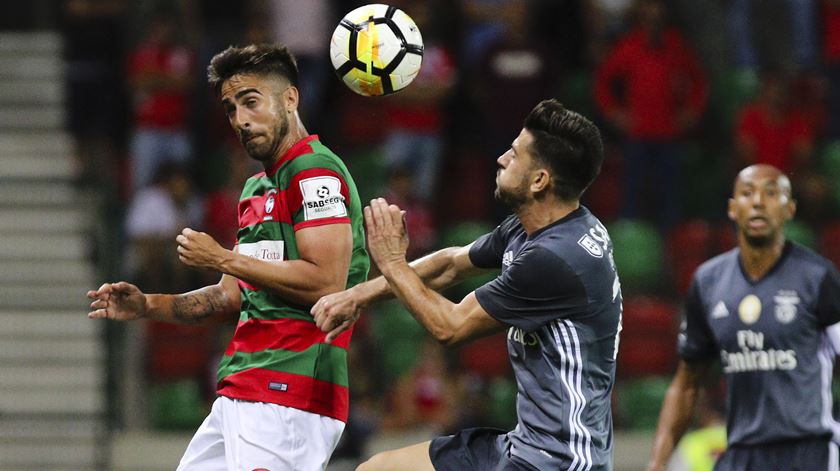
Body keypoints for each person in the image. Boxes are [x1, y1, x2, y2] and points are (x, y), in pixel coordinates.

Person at [87, 43, 369, 471]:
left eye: (251, 102)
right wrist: (150, 304)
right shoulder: (256, 188)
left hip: (291, 391)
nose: (240, 119)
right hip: (241, 390)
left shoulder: (315, 172)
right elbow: (230, 299)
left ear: (290, 98)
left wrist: (223, 258)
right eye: (230, 108)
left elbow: (327, 283)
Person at [313, 99, 622, 470]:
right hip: (521, 446)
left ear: (540, 180)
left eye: (515, 154)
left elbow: (450, 326)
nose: (501, 159)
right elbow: (450, 265)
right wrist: (358, 295)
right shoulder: (539, 227)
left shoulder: (555, 259)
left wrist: (394, 263)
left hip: (560, 461)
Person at [645, 164, 840, 471]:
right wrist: (657, 463)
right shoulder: (708, 282)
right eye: (748, 193)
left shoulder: (818, 277)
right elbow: (686, 383)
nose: (759, 201)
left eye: (771, 193)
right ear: (733, 209)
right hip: (741, 453)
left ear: (789, 208)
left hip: (809, 451)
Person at [593, 0, 707, 229]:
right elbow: (602, 82)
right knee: (631, 194)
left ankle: (671, 245)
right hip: (637, 133)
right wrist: (614, 113)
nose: (654, 15)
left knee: (671, 195)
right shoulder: (630, 45)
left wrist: (691, 112)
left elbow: (699, 81)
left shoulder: (675, 44)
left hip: (669, 132)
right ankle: (630, 243)